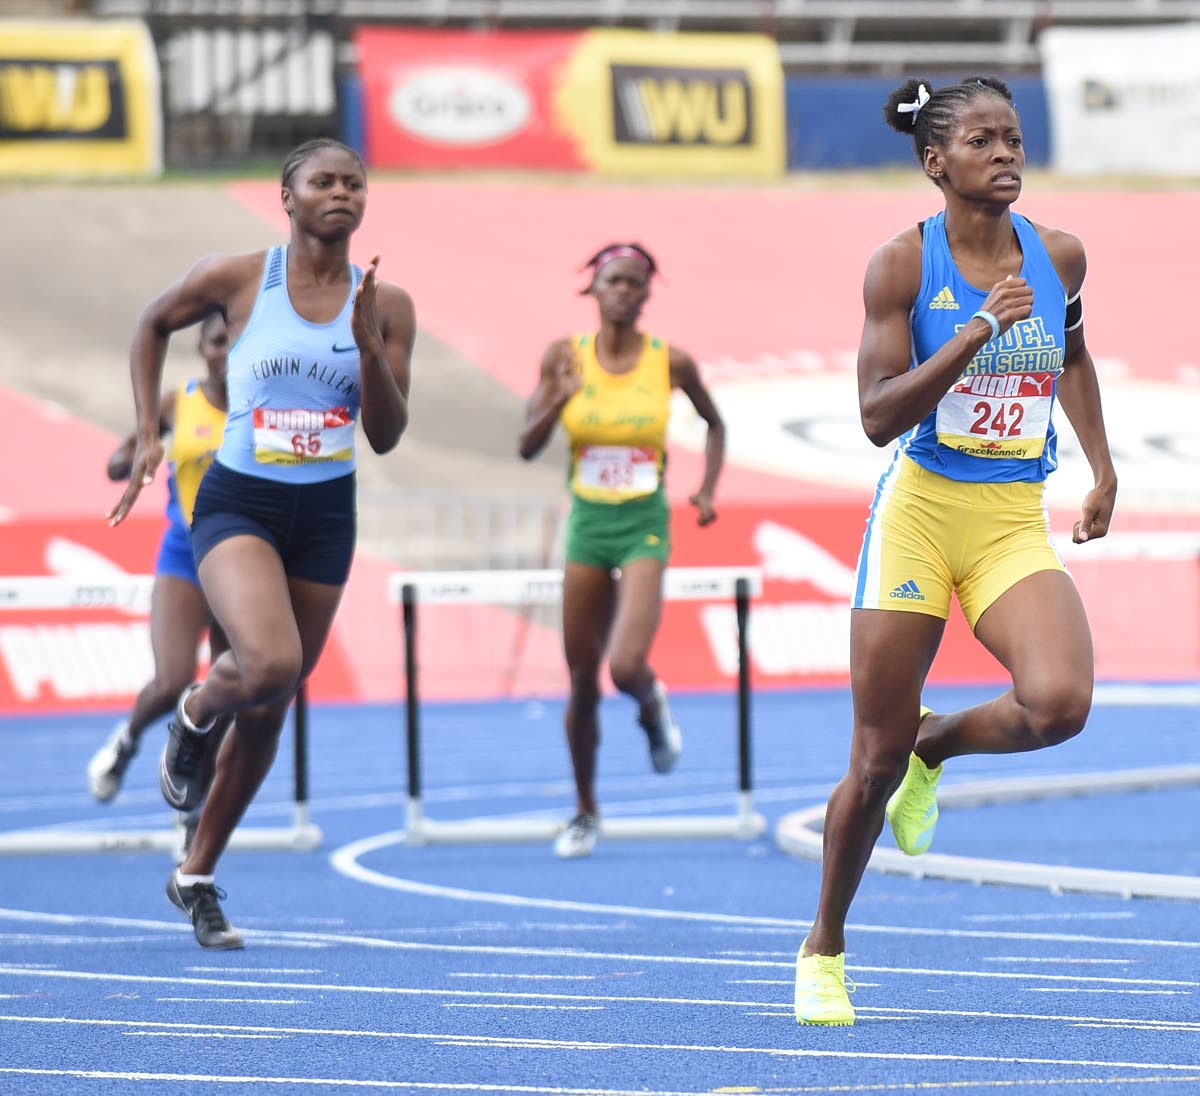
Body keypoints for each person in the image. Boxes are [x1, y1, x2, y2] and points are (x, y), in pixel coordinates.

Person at [794, 77, 1117, 1026]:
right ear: (936, 162)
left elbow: (1072, 358)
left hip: (1011, 514)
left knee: (1060, 704)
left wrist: (1102, 468)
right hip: (921, 516)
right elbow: (876, 417)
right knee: (872, 761)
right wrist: (979, 329)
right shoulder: (901, 265)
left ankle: (936, 742)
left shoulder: (1060, 256)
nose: (1006, 153)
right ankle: (824, 948)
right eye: (982, 141)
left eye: (1012, 138)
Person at [108, 138, 415, 949]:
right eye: (324, 181)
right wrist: (148, 432)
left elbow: (386, 435)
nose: (341, 192)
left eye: (354, 182)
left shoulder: (386, 304)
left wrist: (370, 349)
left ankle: (195, 876)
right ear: (288, 196)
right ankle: (195, 711)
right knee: (271, 665)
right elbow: (151, 323)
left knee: (273, 709)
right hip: (239, 502)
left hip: (326, 515)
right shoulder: (240, 278)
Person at [518, 243, 725, 859]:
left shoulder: (670, 360)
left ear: (647, 293)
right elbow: (526, 445)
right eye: (614, 281)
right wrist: (559, 397)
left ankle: (651, 704)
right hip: (587, 523)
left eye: (636, 283)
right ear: (594, 289)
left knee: (626, 666)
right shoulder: (564, 355)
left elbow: (715, 423)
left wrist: (707, 488)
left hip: (643, 524)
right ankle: (585, 811)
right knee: (582, 681)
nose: (625, 292)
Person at [88, 313, 230, 813]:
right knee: (172, 680)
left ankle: (193, 813)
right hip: (185, 556)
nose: (226, 350)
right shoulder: (179, 402)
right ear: (202, 348)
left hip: (243, 562)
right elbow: (126, 452)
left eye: (235, 340)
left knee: (227, 695)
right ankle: (126, 741)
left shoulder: (260, 406)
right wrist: (131, 458)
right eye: (217, 341)